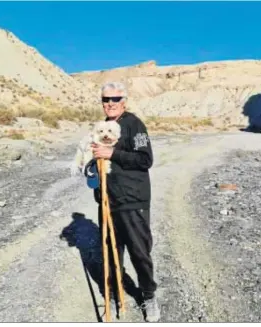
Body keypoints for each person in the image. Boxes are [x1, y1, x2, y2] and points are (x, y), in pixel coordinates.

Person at [89, 81, 160, 322]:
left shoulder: (134, 125)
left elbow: (145, 159)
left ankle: (149, 296)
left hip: (133, 199)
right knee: (111, 250)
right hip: (108, 201)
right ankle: (115, 292)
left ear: (124, 101)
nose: (110, 103)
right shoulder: (102, 127)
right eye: (106, 100)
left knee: (139, 251)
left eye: (115, 99)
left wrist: (112, 154)